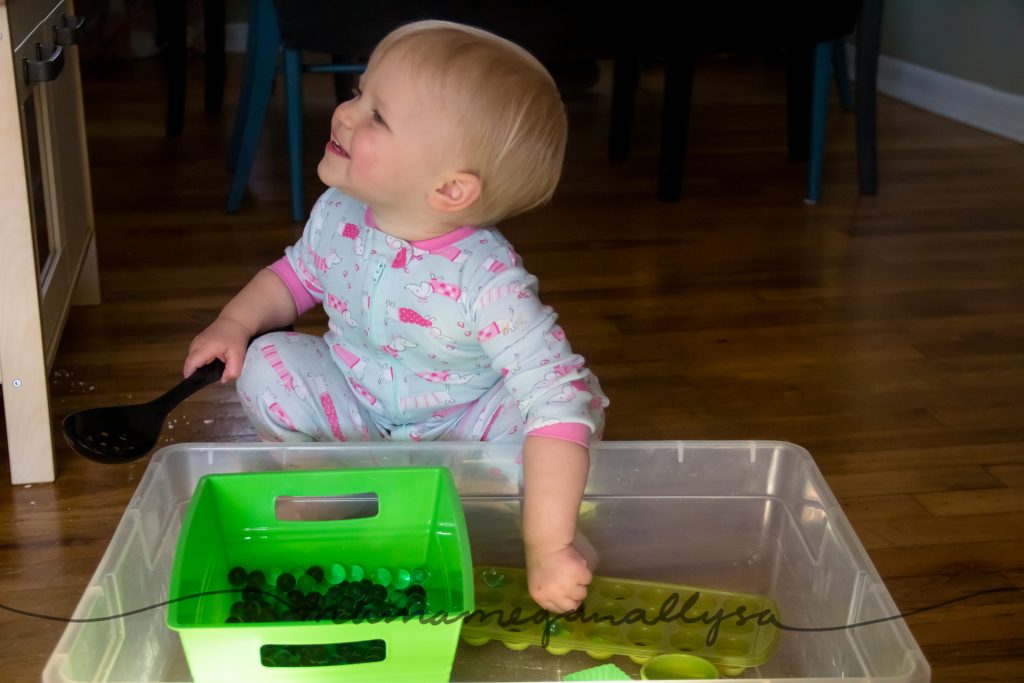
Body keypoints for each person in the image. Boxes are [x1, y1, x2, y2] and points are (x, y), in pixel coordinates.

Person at [183, 20, 608, 613]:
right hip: (357, 410)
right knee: (266, 360)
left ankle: (545, 526)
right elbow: (297, 275)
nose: (344, 113)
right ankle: (323, 488)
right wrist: (233, 323)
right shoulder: (340, 211)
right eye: (359, 92)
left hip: (465, 430)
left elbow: (555, 397)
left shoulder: (486, 280)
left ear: (451, 190)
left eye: (376, 115)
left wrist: (547, 543)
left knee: (558, 408)